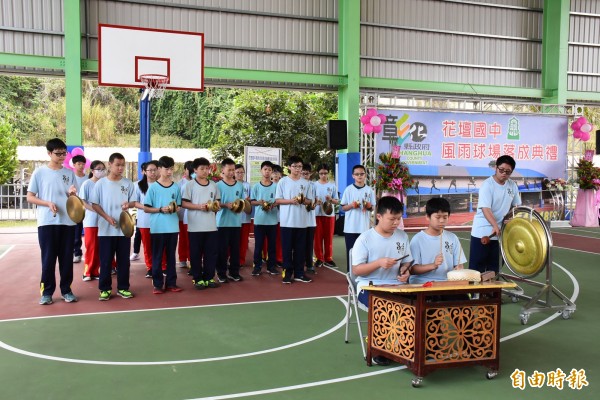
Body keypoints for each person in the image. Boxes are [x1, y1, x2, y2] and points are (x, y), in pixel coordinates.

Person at [26, 138, 79, 305]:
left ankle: (67, 290)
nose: (62, 156)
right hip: (47, 222)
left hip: (67, 223)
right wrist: (47, 203)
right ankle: (47, 292)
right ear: (49, 153)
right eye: (58, 153)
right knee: (48, 259)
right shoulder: (39, 173)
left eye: (64, 153)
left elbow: (74, 198)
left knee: (66, 259)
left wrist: (72, 194)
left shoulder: (69, 173)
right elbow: (30, 197)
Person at [90, 152, 137, 301]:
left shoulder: (128, 183)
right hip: (105, 229)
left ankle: (123, 288)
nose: (120, 168)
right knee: (105, 261)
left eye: (122, 165)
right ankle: (105, 289)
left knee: (124, 261)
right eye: (117, 165)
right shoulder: (100, 184)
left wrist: (128, 205)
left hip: (124, 229)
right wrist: (106, 217)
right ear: (110, 165)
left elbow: (133, 203)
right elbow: (95, 204)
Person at [351, 195, 412, 308]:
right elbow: (356, 270)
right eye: (392, 219)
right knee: (386, 309)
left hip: (397, 285)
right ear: (379, 216)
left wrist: (405, 270)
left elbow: (406, 262)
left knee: (418, 305)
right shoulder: (365, 239)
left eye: (399, 218)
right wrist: (378, 263)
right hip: (370, 286)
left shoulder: (402, 236)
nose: (396, 223)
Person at [469, 155, 521, 274]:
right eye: (501, 170)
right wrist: (495, 225)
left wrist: (510, 217)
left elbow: (516, 206)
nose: (504, 173)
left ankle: (491, 293)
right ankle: (475, 293)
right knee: (477, 270)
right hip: (482, 233)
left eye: (508, 172)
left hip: (500, 233)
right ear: (496, 168)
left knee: (494, 269)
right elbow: (485, 209)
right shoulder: (487, 185)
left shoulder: (512, 185)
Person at [144, 156, 183, 294]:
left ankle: (172, 283)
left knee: (171, 257)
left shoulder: (176, 186)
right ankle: (158, 284)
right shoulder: (153, 188)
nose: (169, 171)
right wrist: (160, 209)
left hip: (172, 227)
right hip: (158, 228)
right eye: (167, 168)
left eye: (171, 168)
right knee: (157, 257)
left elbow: (178, 205)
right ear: (159, 169)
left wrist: (176, 208)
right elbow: (146, 208)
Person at [182, 157, 221, 290]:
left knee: (211, 253)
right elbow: (184, 203)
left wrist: (215, 207)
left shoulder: (213, 185)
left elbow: (218, 203)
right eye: (202, 169)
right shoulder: (189, 185)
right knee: (196, 253)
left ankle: (209, 277)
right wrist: (199, 207)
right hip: (195, 226)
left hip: (211, 226)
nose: (205, 171)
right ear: (195, 170)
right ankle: (197, 279)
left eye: (207, 168)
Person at [409, 197, 466, 284]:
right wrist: (433, 265)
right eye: (438, 217)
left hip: (446, 283)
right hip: (423, 283)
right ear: (427, 217)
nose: (442, 221)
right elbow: (412, 269)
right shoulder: (418, 239)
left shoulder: (452, 238)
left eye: (445, 217)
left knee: (463, 296)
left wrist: (458, 269)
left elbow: (459, 265)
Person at [275, 156, 312, 284]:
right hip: (287, 222)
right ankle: (287, 273)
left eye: (300, 166)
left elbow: (309, 201)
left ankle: (299, 273)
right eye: (295, 166)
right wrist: (291, 201)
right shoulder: (283, 182)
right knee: (287, 249)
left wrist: (303, 200)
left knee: (300, 249)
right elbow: (278, 200)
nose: (297, 169)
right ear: (289, 167)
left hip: (302, 222)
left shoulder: (306, 183)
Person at [341, 164, 376, 271]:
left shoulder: (369, 190)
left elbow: (373, 208)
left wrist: (369, 207)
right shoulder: (348, 189)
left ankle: (363, 273)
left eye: (362, 174)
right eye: (357, 174)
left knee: (364, 253)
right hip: (350, 228)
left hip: (364, 228)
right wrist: (352, 205)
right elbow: (343, 208)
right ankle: (350, 274)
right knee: (350, 252)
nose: (359, 176)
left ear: (365, 175)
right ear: (353, 176)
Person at [216, 158, 244, 282]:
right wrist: (225, 205)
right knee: (222, 249)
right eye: (229, 170)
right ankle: (221, 273)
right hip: (222, 223)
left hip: (236, 222)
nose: (232, 172)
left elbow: (243, 202)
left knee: (235, 249)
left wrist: (239, 206)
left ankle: (234, 272)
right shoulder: (217, 185)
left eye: (233, 170)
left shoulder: (239, 185)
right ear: (223, 170)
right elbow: (215, 203)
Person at [134, 160, 162, 279]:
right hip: (145, 221)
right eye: (150, 170)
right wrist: (146, 207)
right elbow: (134, 202)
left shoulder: (162, 184)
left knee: (161, 245)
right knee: (148, 246)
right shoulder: (138, 185)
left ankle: (162, 266)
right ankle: (150, 267)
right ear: (144, 172)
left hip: (161, 220)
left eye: (155, 170)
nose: (153, 172)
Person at [250, 160, 279, 276]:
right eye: (265, 169)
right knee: (258, 245)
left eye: (269, 170)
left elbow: (279, 201)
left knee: (272, 246)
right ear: (261, 171)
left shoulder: (276, 186)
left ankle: (271, 267)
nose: (267, 172)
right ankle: (257, 267)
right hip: (259, 221)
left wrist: (272, 205)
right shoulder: (256, 186)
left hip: (272, 221)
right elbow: (252, 202)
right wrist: (260, 203)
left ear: (272, 172)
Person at [79, 160, 106, 281]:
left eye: (103, 169)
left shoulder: (105, 184)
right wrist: (95, 210)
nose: (101, 171)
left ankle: (95, 271)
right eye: (98, 169)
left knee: (100, 248)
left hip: (103, 221)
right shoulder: (87, 184)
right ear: (92, 170)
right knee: (91, 247)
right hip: (91, 221)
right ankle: (87, 272)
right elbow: (82, 201)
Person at [313, 163, 339, 269]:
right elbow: (310, 200)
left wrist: (331, 200)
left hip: (329, 215)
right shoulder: (314, 185)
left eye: (325, 173)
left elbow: (337, 201)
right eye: (321, 173)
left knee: (328, 237)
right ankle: (319, 258)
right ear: (318, 174)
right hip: (317, 214)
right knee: (317, 237)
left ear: (328, 173)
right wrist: (316, 201)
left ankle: (328, 258)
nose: (323, 175)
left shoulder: (332, 185)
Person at [72, 154, 88, 264]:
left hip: (89, 209)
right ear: (74, 165)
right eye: (79, 164)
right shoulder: (71, 177)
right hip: (76, 209)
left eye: (83, 164)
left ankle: (91, 254)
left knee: (90, 232)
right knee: (76, 232)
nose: (81, 166)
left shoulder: (88, 178)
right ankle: (77, 253)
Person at [235, 163, 252, 268]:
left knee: (243, 242)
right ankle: (231, 259)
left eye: (242, 172)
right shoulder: (232, 184)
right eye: (238, 172)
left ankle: (241, 260)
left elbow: (250, 201)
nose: (240, 174)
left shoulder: (247, 185)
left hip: (245, 218)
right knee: (233, 241)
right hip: (234, 218)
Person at [177, 160, 193, 268]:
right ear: (185, 170)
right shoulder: (180, 184)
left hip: (193, 216)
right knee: (183, 238)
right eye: (189, 170)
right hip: (181, 215)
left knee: (192, 239)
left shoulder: (197, 182)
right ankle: (182, 258)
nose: (191, 172)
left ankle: (191, 258)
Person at [302, 163, 317, 274]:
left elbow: (315, 199)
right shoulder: (298, 184)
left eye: (307, 173)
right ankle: (298, 263)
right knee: (299, 243)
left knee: (309, 243)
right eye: (303, 173)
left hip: (311, 219)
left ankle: (309, 264)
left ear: (310, 174)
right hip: (300, 219)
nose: (305, 175)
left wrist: (315, 203)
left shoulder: (313, 185)